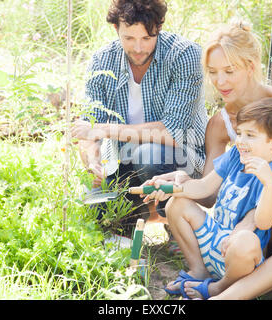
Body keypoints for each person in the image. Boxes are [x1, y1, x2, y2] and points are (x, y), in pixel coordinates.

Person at [145, 19, 272, 299]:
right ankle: (241, 259)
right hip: (250, 209)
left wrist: (252, 218)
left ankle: (225, 294)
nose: (220, 81)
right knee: (248, 226)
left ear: (251, 66)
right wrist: (182, 182)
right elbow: (210, 194)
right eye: (213, 72)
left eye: (230, 71)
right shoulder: (220, 124)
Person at [71, 0, 207, 222]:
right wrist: (92, 161)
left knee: (149, 155)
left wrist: (104, 130)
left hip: (181, 161)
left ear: (159, 28)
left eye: (147, 38)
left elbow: (174, 132)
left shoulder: (184, 55)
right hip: (124, 160)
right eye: (129, 38)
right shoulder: (102, 60)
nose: (138, 48)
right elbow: (89, 125)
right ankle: (134, 225)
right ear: (116, 29)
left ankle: (177, 223)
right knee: (94, 206)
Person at [156, 98, 272, 299]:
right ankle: (199, 270)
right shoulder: (235, 156)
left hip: (239, 259)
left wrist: (269, 184)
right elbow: (204, 187)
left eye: (250, 135)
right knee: (177, 204)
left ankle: (221, 287)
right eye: (239, 133)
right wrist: (172, 189)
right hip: (216, 239)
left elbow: (264, 222)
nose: (240, 141)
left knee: (246, 241)